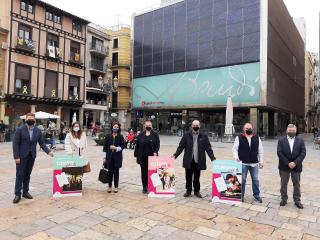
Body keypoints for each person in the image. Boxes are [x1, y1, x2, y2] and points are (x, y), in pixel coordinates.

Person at [12, 113, 53, 204]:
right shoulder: (20, 130)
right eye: (29, 118)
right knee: (20, 175)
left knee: (27, 175)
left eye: (32, 118)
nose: (31, 120)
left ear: (35, 120)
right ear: (26, 119)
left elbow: (41, 143)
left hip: (32, 156)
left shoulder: (38, 131)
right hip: (21, 157)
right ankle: (17, 194)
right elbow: (15, 144)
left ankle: (25, 192)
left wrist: (48, 151)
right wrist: (16, 156)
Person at [173, 120, 216, 198]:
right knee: (188, 176)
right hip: (189, 159)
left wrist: (213, 158)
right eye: (194, 125)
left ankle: (197, 191)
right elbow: (181, 146)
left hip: (198, 160)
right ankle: (188, 191)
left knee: (197, 177)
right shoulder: (186, 135)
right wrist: (175, 155)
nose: (195, 127)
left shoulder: (204, 136)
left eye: (197, 125)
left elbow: (208, 148)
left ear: (199, 126)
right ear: (191, 126)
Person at [232, 123, 264, 203]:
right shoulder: (238, 137)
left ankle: (256, 195)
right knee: (242, 180)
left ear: (252, 128)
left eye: (249, 128)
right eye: (246, 128)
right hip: (243, 163)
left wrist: (261, 161)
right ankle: (241, 195)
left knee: (255, 180)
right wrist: (236, 157)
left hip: (254, 163)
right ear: (243, 129)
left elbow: (260, 150)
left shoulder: (257, 137)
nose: (248, 129)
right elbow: (234, 149)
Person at [277, 124, 306, 209]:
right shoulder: (281, 140)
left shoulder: (300, 140)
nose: (291, 132)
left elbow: (303, 153)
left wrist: (295, 162)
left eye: (293, 131)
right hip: (284, 166)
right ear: (287, 131)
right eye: (290, 131)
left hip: (296, 166)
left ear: (296, 131)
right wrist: (288, 163)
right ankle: (284, 199)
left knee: (296, 184)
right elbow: (279, 152)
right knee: (283, 184)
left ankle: (297, 200)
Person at [134, 120, 160, 194]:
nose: (148, 126)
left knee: (152, 173)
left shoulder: (155, 134)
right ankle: (144, 187)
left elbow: (157, 145)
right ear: (144, 126)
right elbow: (137, 146)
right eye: (147, 125)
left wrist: (155, 152)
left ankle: (150, 186)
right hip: (143, 157)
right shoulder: (141, 135)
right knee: (144, 173)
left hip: (152, 157)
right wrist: (136, 156)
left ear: (151, 126)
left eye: (149, 125)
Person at [103, 122, 125, 193]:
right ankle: (109, 186)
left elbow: (123, 146)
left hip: (117, 157)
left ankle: (116, 187)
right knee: (109, 172)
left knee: (116, 172)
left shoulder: (120, 136)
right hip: (109, 157)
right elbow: (105, 147)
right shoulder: (108, 136)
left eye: (117, 127)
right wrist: (104, 157)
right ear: (112, 127)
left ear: (119, 128)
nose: (115, 128)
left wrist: (116, 148)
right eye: (114, 127)